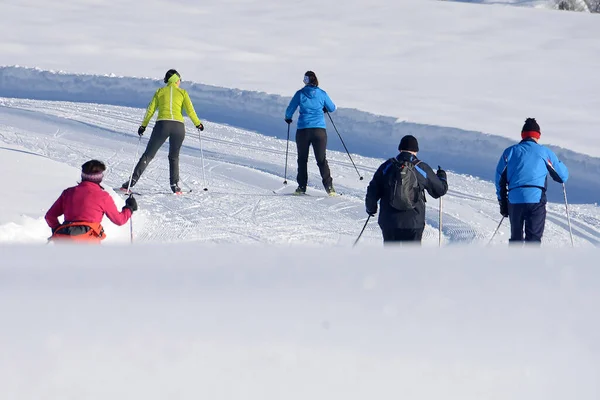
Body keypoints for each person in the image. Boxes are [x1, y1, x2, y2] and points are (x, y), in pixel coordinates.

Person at [122, 69, 204, 194]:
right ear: (176, 80)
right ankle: (175, 186)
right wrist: (198, 124)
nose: (180, 82)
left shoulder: (160, 92)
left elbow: (150, 110)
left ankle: (131, 182)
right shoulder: (183, 93)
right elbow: (190, 111)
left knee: (148, 154)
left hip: (162, 125)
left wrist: (143, 126)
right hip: (178, 127)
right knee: (174, 157)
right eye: (179, 80)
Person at [495, 118, 569, 244]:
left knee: (516, 240)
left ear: (522, 135)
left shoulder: (510, 152)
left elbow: (499, 179)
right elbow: (562, 177)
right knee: (533, 240)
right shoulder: (544, 152)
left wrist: (503, 203)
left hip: (515, 200)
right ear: (538, 136)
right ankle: (532, 262)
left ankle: (513, 262)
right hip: (536, 200)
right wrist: (559, 163)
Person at [365, 135, 448, 244]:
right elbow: (440, 190)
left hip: (389, 221)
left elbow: (372, 189)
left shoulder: (387, 166)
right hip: (413, 223)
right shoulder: (420, 167)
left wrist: (371, 209)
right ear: (416, 151)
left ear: (400, 149)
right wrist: (442, 176)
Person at [46, 160, 137, 243]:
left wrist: (58, 229)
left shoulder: (68, 193)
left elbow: (50, 216)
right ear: (100, 178)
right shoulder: (103, 197)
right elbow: (119, 220)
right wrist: (129, 208)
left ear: (82, 176)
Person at [284, 71, 337, 195]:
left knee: (302, 159)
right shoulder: (322, 94)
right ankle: (329, 188)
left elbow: (290, 109)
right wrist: (323, 107)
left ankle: (301, 187)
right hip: (319, 131)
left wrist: (288, 118)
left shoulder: (300, 94)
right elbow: (332, 108)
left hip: (303, 130)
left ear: (305, 81)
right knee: (321, 159)